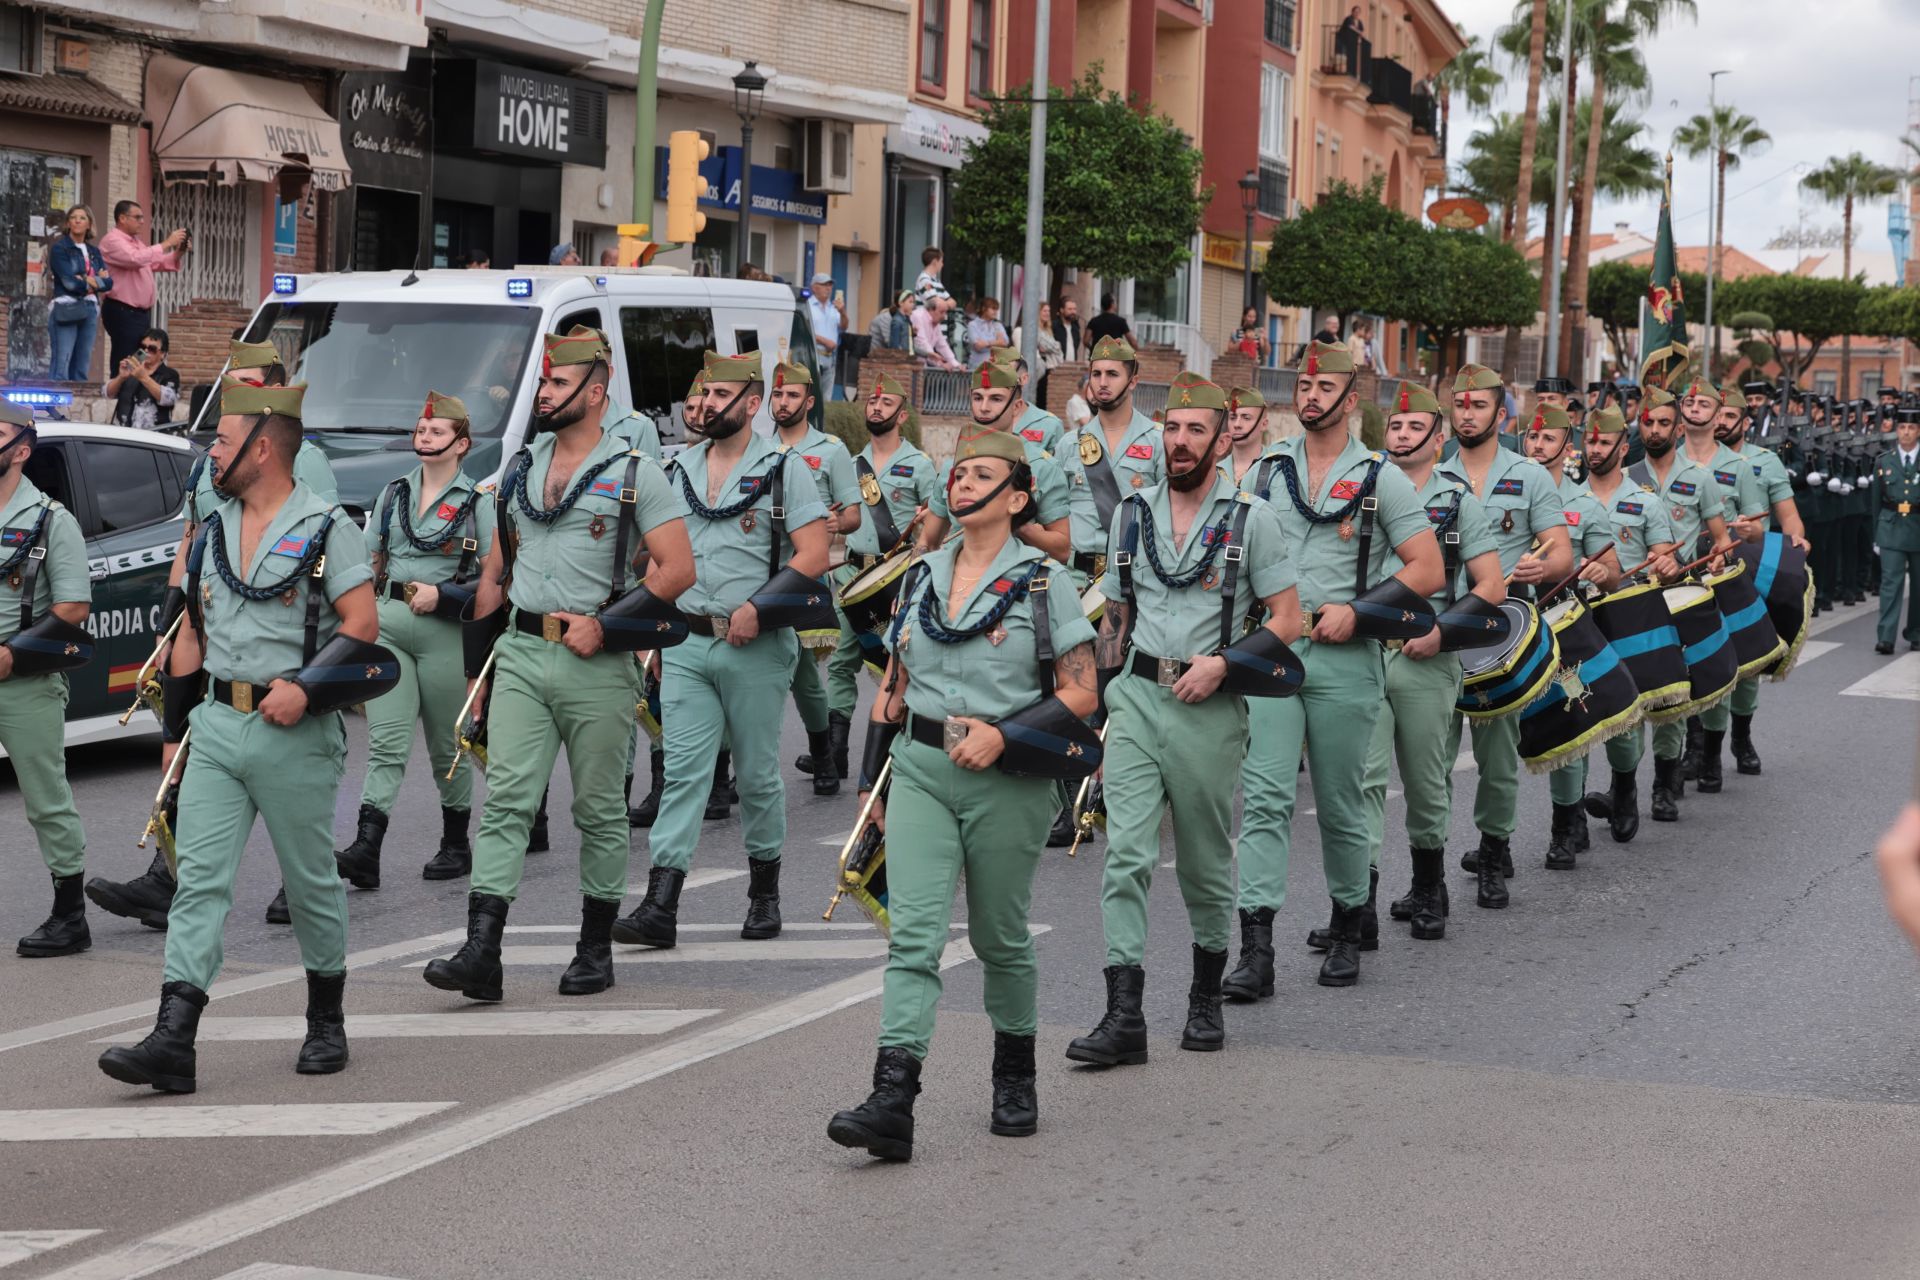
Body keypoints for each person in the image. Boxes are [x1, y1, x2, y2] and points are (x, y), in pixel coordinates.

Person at [98, 381, 380, 1093]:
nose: (210, 452)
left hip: (295, 728)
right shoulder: (213, 526)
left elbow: (362, 625)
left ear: (261, 448)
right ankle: (173, 1038)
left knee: (312, 882)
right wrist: (176, 734)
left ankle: (325, 1020)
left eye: (221, 441)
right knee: (199, 883)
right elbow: (191, 632)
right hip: (219, 725)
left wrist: (309, 688)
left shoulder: (323, 527)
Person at [828, 428, 1097, 1161]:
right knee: (914, 937)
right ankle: (892, 1097)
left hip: (1006, 779)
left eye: (983, 475)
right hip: (919, 766)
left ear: (1015, 498)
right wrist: (869, 783)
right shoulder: (917, 576)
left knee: (998, 937)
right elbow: (894, 690)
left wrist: (1005, 737)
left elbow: (1082, 690)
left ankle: (1014, 1073)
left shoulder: (1045, 582)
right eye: (958, 472)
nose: (963, 483)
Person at [423, 326, 695, 1004]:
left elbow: (678, 569)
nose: (543, 393)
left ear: (594, 392)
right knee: (507, 803)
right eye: (542, 382)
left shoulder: (636, 472)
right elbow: (493, 574)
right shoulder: (518, 470)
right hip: (519, 649)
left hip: (596, 662)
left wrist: (608, 625)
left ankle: (594, 948)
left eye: (555, 383)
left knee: (600, 810)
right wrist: (475, 674)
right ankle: (482, 950)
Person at [1066, 372, 1300, 1067]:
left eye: (1196, 429)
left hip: (1209, 706)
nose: (1180, 442)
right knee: (1126, 853)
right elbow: (1115, 615)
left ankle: (1203, 998)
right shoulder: (1130, 515)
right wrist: (1099, 713)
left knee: (1201, 860)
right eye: (1171, 429)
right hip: (1137, 696)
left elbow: (1286, 618)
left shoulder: (1250, 519)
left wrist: (1225, 665)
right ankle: (1123, 1016)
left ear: (1224, 437)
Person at [84, 342, 338, 933]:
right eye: (230, 378)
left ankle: (296, 877)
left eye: (247, 379)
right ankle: (168, 874)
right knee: (190, 745)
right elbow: (194, 534)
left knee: (277, 764)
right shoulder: (211, 459)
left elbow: (315, 547)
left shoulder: (310, 460)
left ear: (274, 387)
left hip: (272, 631)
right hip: (208, 620)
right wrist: (174, 609)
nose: (233, 387)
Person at [1229, 341, 1443, 992]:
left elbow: (1428, 570)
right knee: (1264, 799)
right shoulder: (1265, 471)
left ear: (1351, 400)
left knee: (1342, 804)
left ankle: (1350, 923)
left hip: (1346, 658)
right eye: (1303, 384)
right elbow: (1229, 552)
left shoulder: (1383, 477)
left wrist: (1360, 609)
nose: (1311, 394)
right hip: (1274, 654)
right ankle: (1256, 952)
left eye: (1326, 386)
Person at [613, 351, 829, 950]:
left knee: (758, 776)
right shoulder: (678, 466)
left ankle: (765, 893)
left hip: (754, 645)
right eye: (703, 395)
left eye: (720, 395)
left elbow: (813, 553)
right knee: (682, 772)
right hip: (685, 638)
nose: (706, 405)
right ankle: (661, 903)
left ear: (752, 404)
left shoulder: (785, 470)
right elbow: (653, 554)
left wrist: (759, 608)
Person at [1346, 387, 1504, 945]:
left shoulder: (1459, 502)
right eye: (1396, 426)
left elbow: (1491, 585)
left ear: (1438, 439)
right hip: (1364, 652)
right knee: (1361, 779)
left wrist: (1441, 633)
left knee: (1425, 779)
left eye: (1416, 427)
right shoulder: (1361, 491)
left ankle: (1428, 885)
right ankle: (1356, 905)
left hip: (1426, 657)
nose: (1403, 435)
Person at [333, 392, 497, 891]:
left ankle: (455, 843)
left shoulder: (478, 503)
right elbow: (369, 562)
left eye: (436, 432)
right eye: (421, 431)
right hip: (390, 624)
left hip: (445, 631)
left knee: (447, 743)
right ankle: (367, 846)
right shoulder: (394, 494)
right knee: (385, 741)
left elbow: (495, 577)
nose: (424, 438)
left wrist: (445, 596)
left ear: (461, 444)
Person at [0, 401, 94, 957]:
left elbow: (74, 605)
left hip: (23, 679)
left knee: (45, 798)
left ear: (22, 450)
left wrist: (12, 656)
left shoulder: (50, 520)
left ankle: (69, 913)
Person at [1522, 405, 1623, 867]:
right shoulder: (1509, 493)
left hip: (1563, 629)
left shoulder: (1584, 506)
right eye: (1532, 437)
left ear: (1569, 446)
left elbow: (1614, 576)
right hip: (1512, 626)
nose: (1538, 445)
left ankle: (1567, 823)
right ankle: (1494, 844)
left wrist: (1601, 571)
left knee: (1568, 715)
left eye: (1548, 438)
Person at [823, 374, 940, 772]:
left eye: (885, 403)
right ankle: (835, 751)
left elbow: (937, 518)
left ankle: (899, 747)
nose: (876, 408)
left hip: (897, 582)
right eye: (872, 403)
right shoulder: (852, 463)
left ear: (901, 414)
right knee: (840, 662)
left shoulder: (918, 463)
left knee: (897, 666)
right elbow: (840, 512)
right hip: (853, 580)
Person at [1578, 406, 1679, 845]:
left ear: (1622, 448)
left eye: (1604, 443)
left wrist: (1665, 564)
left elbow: (1664, 558)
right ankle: (1570, 816)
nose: (1595, 449)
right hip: (1580, 619)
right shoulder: (1565, 499)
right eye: (1589, 441)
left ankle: (1623, 786)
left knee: (1624, 712)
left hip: (1628, 616)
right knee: (1576, 708)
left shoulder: (1645, 502)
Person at [1629, 384, 1730, 823]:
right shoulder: (1626, 476)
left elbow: (1721, 538)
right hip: (1631, 599)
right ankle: (1622, 789)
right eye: (1647, 422)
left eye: (1664, 422)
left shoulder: (1699, 477)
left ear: (1679, 426)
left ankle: (1664, 785)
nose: (1654, 430)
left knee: (1669, 696)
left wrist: (1716, 555)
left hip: (1680, 595)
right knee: (1630, 698)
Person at [767, 359, 861, 795]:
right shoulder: (754, 447)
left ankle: (824, 754)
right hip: (756, 574)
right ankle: (726, 770)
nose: (782, 402)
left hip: (804, 576)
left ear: (808, 401)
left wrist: (831, 525)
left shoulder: (832, 450)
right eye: (777, 394)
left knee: (805, 675)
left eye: (791, 396)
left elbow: (854, 516)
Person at [1680, 378, 1773, 788]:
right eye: (1690, 401)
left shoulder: (1738, 468)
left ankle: (1731, 742)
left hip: (1725, 576)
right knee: (1684, 664)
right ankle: (1694, 747)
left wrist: (1742, 534)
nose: (1695, 407)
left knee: (1733, 666)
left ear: (1719, 416)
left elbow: (1757, 527)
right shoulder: (1667, 462)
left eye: (1704, 403)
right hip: (1679, 579)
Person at [920, 361, 1073, 564]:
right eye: (977, 398)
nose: (984, 408)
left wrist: (1020, 523)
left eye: (996, 399)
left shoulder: (1042, 466)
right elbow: (928, 542)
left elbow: (1062, 550)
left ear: (1016, 406)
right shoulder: (954, 466)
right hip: (954, 581)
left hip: (1013, 584)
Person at [98, 200, 187, 373]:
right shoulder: (113, 240)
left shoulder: (136, 242)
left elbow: (155, 261)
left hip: (138, 313)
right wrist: (166, 243)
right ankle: (119, 393)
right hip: (122, 310)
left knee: (137, 358)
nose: (142, 221)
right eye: (137, 217)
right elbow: (135, 259)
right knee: (125, 356)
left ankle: (130, 393)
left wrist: (178, 251)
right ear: (122, 218)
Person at [1872, 407, 1920, 656]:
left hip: (1918, 529)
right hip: (1890, 529)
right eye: (1902, 427)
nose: (1906, 432)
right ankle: (1886, 637)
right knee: (1890, 585)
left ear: (1918, 431)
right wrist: (1875, 536)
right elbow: (1875, 502)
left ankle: (1916, 633)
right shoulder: (1884, 460)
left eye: (1911, 427)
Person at [47, 204, 109, 382]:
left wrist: (86, 279)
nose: (77, 221)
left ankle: (75, 408)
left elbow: (109, 282)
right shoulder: (61, 249)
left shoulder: (94, 252)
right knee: (62, 365)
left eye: (82, 218)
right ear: (68, 223)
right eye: (73, 217)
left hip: (89, 308)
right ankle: (55, 407)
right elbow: (69, 282)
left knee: (82, 366)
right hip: (67, 307)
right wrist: (95, 280)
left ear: (89, 224)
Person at [991, 345, 1065, 453]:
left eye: (1006, 375)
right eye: (993, 376)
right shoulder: (983, 420)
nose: (998, 381)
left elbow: (1057, 468)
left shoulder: (1049, 424)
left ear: (1023, 379)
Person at [104, 328, 181, 430]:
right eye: (143, 347)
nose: (146, 351)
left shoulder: (169, 374)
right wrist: (121, 377)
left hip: (153, 437)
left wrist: (143, 377)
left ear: (163, 354)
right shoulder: (130, 369)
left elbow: (169, 399)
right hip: (122, 434)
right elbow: (108, 394)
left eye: (152, 349)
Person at [806, 274, 848, 398]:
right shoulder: (807, 305)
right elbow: (804, 330)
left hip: (830, 358)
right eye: (824, 285)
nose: (828, 288)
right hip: (813, 355)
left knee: (826, 399)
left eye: (830, 285)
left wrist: (842, 312)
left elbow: (844, 326)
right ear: (814, 287)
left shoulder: (834, 307)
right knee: (811, 395)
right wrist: (824, 341)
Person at [1220, 385, 1270, 487]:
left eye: (1246, 418)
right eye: (1233, 417)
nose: (1237, 424)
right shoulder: (1215, 471)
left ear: (1264, 424)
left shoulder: (1277, 468)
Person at [912, 295, 963, 371]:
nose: (944, 316)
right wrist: (940, 364)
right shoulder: (918, 316)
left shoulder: (935, 321)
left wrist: (956, 364)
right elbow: (922, 344)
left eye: (945, 312)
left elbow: (942, 345)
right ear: (931, 310)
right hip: (911, 367)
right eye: (942, 312)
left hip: (922, 366)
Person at [965, 297, 1008, 371]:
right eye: (992, 308)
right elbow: (978, 346)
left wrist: (986, 343)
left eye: (996, 309)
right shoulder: (973, 325)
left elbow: (1004, 343)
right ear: (983, 308)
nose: (995, 312)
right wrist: (997, 342)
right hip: (978, 368)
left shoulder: (998, 325)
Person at [1052, 296, 1084, 364]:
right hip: (1057, 366)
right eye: (1070, 309)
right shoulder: (1054, 326)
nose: (1073, 312)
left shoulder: (1076, 328)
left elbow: (1076, 345)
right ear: (1062, 310)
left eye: (1074, 309)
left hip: (1072, 366)